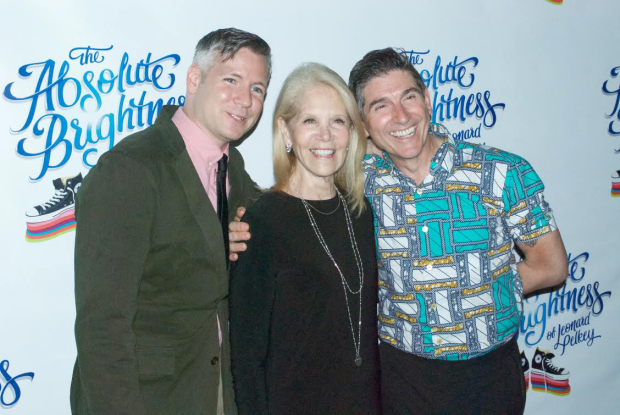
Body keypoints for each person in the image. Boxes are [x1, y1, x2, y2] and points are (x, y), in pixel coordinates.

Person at [230, 48, 568, 414]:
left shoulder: (501, 173)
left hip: (490, 378)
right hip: (400, 382)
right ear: (365, 124)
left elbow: (551, 266)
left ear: (427, 99)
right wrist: (239, 225)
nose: (401, 116)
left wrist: (478, 290)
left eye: (409, 97)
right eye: (381, 106)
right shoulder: (366, 183)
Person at [70, 28, 270, 415]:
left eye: (258, 88)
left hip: (215, 392)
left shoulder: (235, 169)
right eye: (232, 80)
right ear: (194, 79)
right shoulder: (130, 169)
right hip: (148, 398)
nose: (245, 100)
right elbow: (102, 327)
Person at [228, 63, 380, 414]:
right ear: (286, 130)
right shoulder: (262, 222)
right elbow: (246, 358)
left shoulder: (360, 212)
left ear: (352, 133)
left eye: (338, 121)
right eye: (310, 121)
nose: (325, 136)